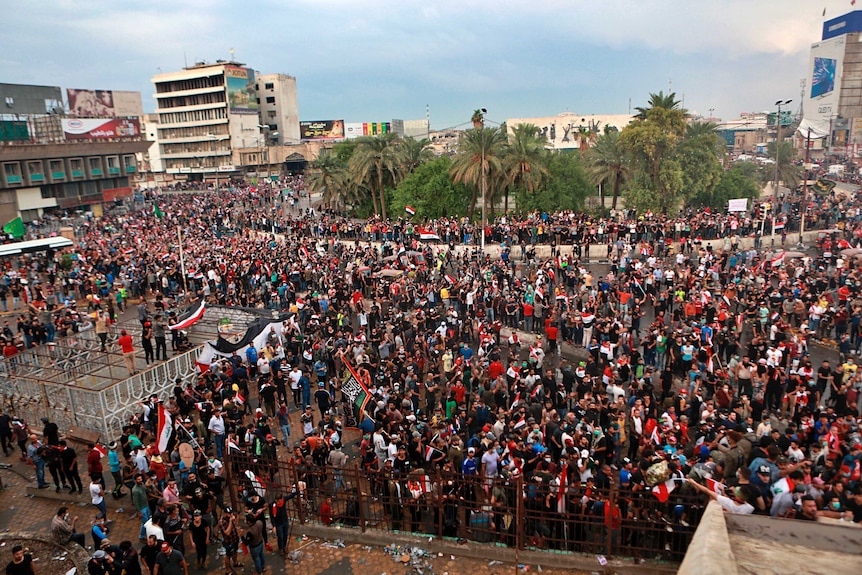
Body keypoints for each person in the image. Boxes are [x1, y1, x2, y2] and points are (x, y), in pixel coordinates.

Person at [217, 508, 242, 575]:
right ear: (225, 514)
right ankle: (227, 570)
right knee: (228, 555)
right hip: (229, 541)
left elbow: (236, 525)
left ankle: (235, 562)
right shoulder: (222, 522)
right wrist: (231, 521)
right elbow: (227, 533)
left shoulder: (231, 517)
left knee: (235, 551)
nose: (230, 515)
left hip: (235, 538)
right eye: (229, 514)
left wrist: (236, 519)